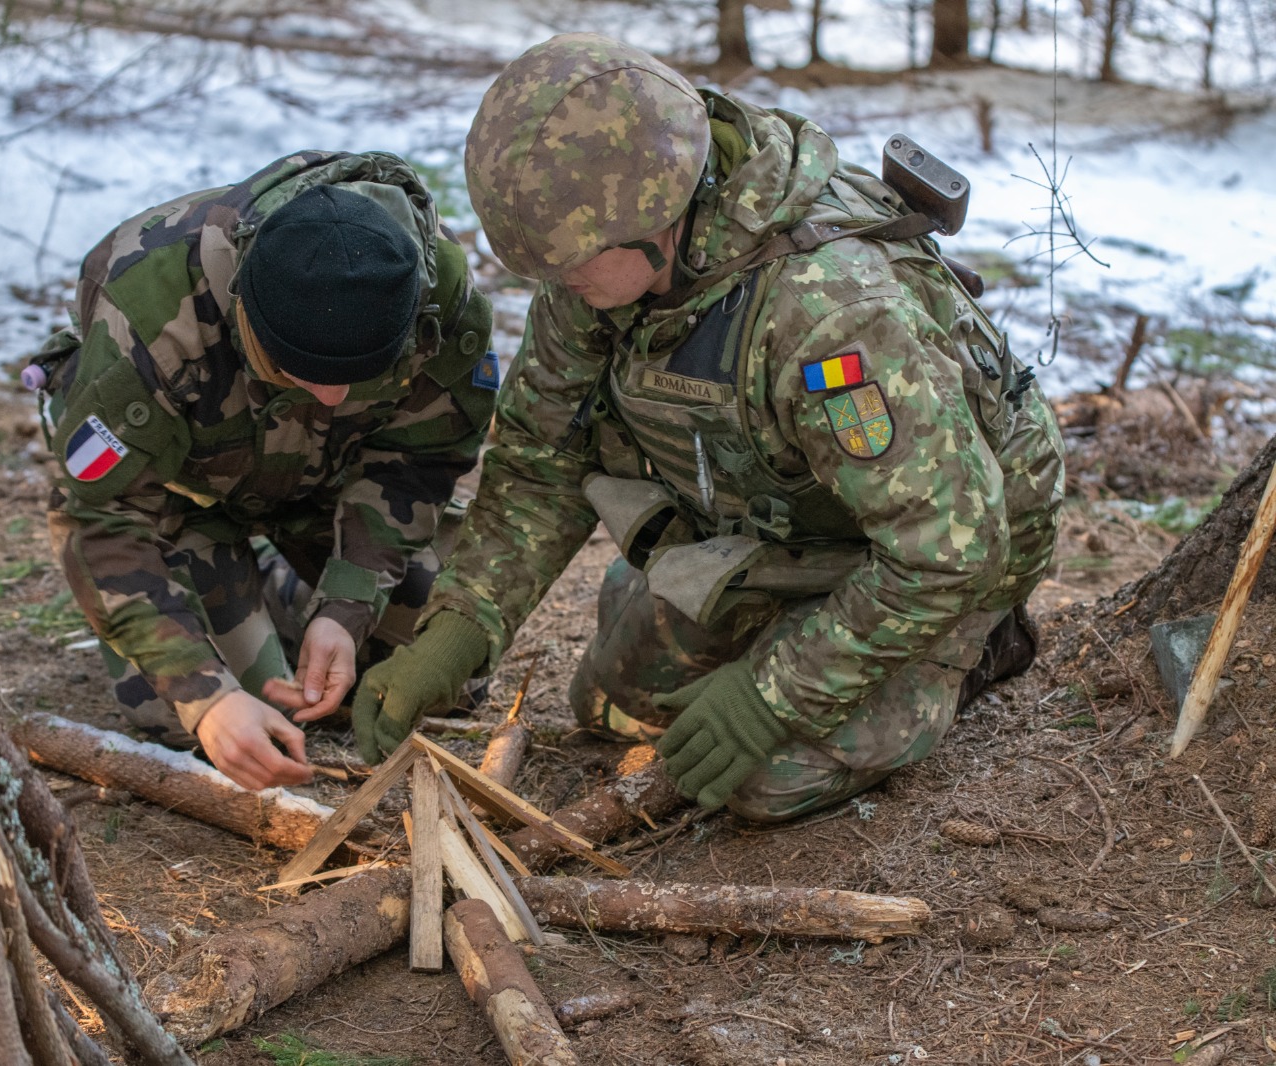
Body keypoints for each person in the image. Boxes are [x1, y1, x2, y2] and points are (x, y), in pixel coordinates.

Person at [349, 34, 1065, 821]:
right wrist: (456, 634)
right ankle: (752, 604)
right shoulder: (598, 270)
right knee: (611, 712)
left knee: (757, 781)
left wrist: (770, 697)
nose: (557, 287)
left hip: (945, 556)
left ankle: (970, 651)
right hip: (788, 522)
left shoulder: (829, 312)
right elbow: (541, 460)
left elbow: (948, 550)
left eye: (572, 264)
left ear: (655, 217)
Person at [35, 150, 498, 791]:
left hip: (327, 488)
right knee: (222, 720)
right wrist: (206, 698)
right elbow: (99, 514)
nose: (332, 398)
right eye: (298, 372)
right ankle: (233, 591)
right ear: (243, 314)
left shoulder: (435, 297)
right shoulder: (149, 310)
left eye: (357, 376)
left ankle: (286, 596)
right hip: (182, 499)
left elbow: (422, 457)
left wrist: (346, 603)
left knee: (445, 676)